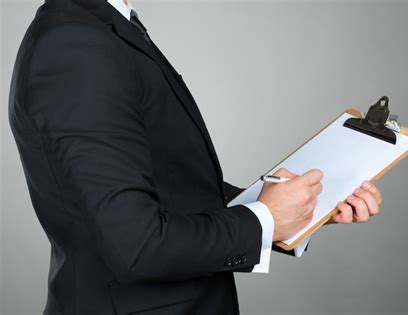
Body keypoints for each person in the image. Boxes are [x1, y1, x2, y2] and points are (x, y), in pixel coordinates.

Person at [8, 0, 383, 314]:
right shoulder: (75, 45)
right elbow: (135, 246)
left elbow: (171, 187)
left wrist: (306, 208)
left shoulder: (105, 27)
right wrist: (266, 218)